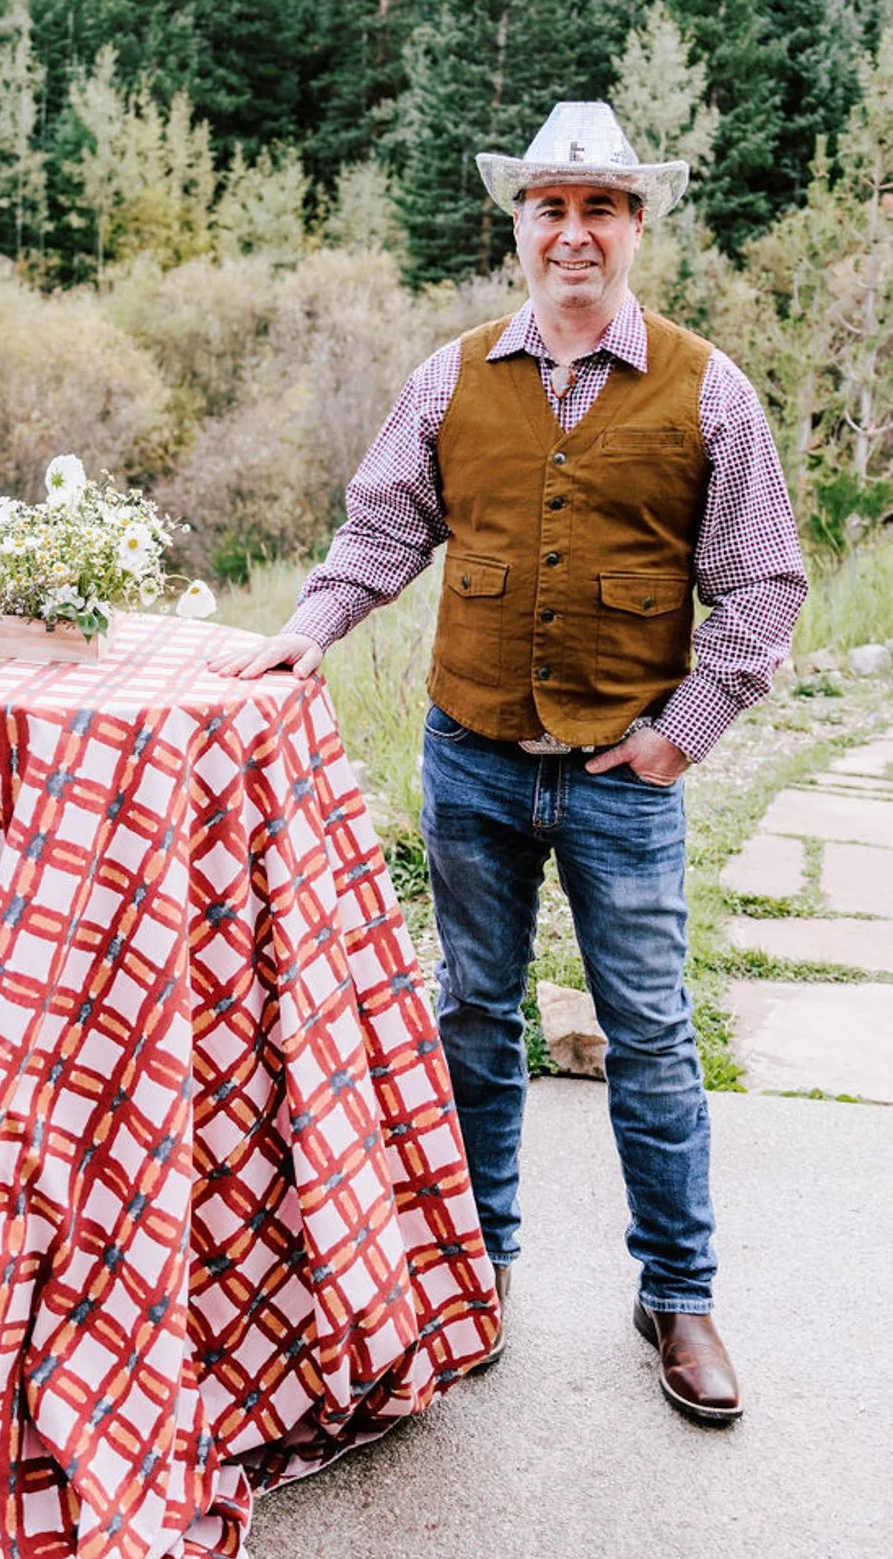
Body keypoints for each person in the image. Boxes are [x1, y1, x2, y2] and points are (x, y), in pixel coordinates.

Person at [216, 102, 807, 1426]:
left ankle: (680, 1292)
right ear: (520, 228)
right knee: (473, 1016)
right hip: (472, 759)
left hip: (621, 776)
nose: (574, 232)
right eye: (551, 207)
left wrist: (680, 737)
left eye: (600, 207)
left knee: (652, 1037)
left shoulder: (708, 386)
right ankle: (470, 1264)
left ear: (637, 226)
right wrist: (302, 638)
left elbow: (764, 586)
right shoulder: (450, 376)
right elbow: (380, 538)